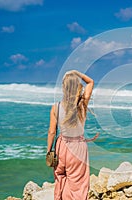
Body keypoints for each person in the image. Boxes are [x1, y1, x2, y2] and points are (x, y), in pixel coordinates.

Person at [47, 70, 94, 200]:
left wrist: (49, 151)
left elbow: (51, 132)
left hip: (61, 146)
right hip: (77, 147)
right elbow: (90, 82)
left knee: (60, 178)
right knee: (77, 183)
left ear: (63, 87)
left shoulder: (56, 107)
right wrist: (76, 73)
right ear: (77, 86)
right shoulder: (82, 104)